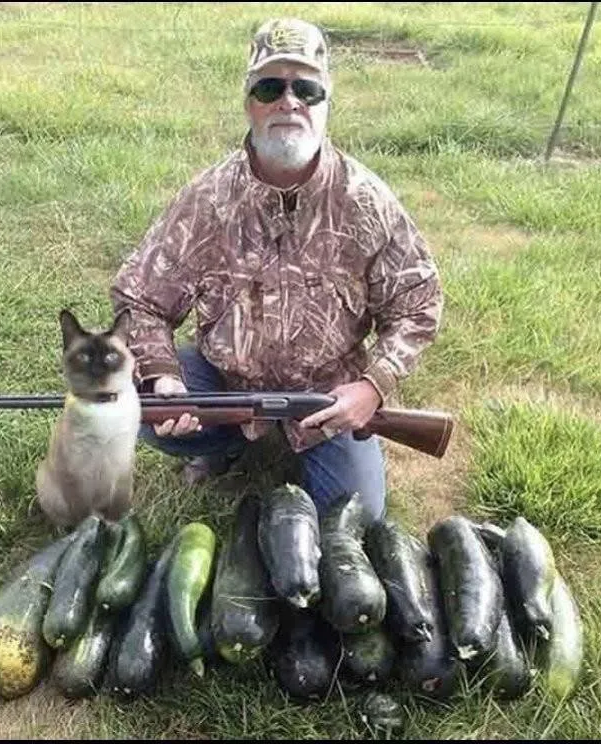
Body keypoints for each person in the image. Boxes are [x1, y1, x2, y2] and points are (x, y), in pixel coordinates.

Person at [109, 17, 443, 520]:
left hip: (328, 398)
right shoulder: (207, 199)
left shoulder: (367, 201)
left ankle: (308, 446)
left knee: (358, 517)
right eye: (271, 87)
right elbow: (139, 298)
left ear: (325, 104)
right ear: (249, 103)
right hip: (227, 382)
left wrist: (371, 388)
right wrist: (163, 379)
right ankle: (221, 444)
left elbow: (419, 305)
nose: (290, 102)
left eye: (306, 89)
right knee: (135, 401)